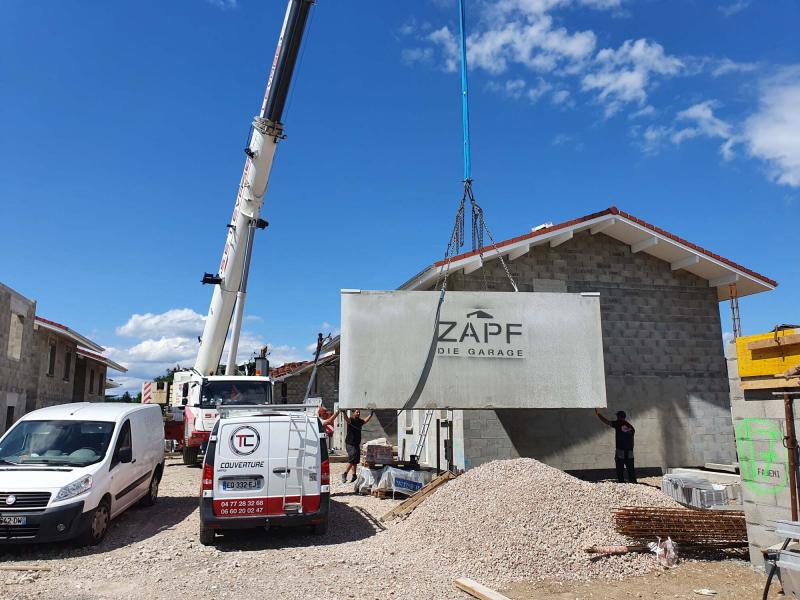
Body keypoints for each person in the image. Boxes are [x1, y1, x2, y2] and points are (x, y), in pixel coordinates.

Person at [595, 407, 637, 483]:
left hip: (620, 451)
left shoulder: (618, 423)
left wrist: (598, 414)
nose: (616, 417)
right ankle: (633, 483)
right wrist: (631, 449)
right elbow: (632, 441)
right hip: (630, 452)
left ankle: (621, 483)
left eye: (617, 416)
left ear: (619, 416)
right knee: (631, 469)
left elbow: (606, 421)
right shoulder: (631, 427)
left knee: (620, 469)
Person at [337, 408, 374, 483]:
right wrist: (344, 413)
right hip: (350, 443)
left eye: (359, 412)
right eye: (357, 412)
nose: (358, 413)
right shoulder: (351, 420)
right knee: (353, 456)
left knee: (356, 459)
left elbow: (365, 421)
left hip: (356, 443)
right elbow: (346, 419)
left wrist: (371, 414)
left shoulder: (359, 421)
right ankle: (345, 474)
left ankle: (354, 475)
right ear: (353, 413)